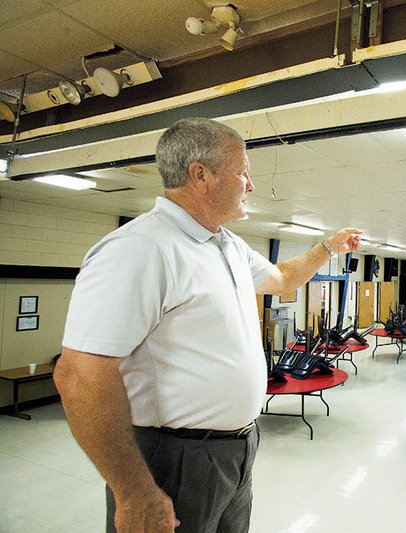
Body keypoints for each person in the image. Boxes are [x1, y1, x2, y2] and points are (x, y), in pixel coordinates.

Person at [54, 117, 363, 533]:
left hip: (236, 450)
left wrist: (328, 247)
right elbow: (79, 374)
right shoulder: (140, 249)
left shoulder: (227, 245)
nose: (250, 185)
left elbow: (283, 277)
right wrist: (133, 491)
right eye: (243, 172)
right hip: (173, 458)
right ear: (200, 175)